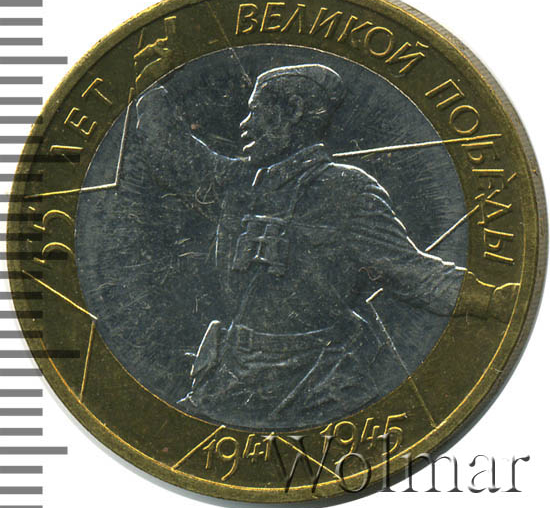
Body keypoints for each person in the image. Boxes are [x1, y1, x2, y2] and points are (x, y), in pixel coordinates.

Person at [134, 64, 516, 429]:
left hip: (317, 381)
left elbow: (415, 275)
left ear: (294, 111)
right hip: (232, 374)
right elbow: (175, 156)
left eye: (256, 111)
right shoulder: (238, 182)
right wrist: (151, 91)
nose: (244, 124)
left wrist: (493, 300)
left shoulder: (349, 191)